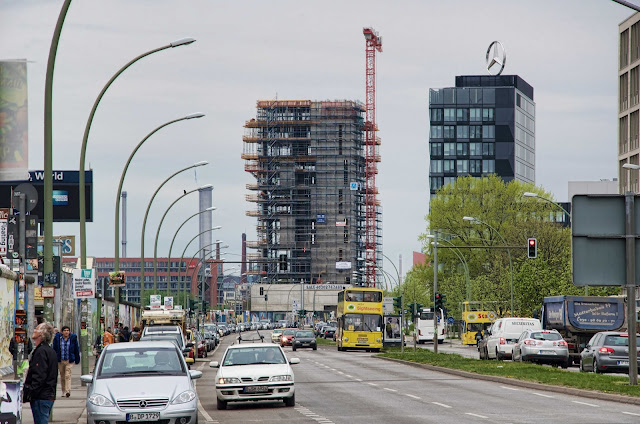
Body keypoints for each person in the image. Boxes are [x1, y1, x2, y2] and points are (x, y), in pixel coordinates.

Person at [24, 322, 57, 424]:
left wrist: (30, 392)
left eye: (36, 329)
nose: (34, 330)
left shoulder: (41, 352)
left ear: (41, 334)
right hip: (48, 395)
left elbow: (39, 375)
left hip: (41, 396)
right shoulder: (50, 351)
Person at [52, 326, 80, 398]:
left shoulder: (73, 339)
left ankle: (68, 391)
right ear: (62, 332)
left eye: (67, 330)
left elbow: (76, 349)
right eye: (65, 330)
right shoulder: (58, 339)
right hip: (60, 360)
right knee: (62, 376)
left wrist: (77, 359)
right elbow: (54, 349)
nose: (66, 332)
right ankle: (63, 391)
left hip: (69, 360)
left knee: (68, 375)